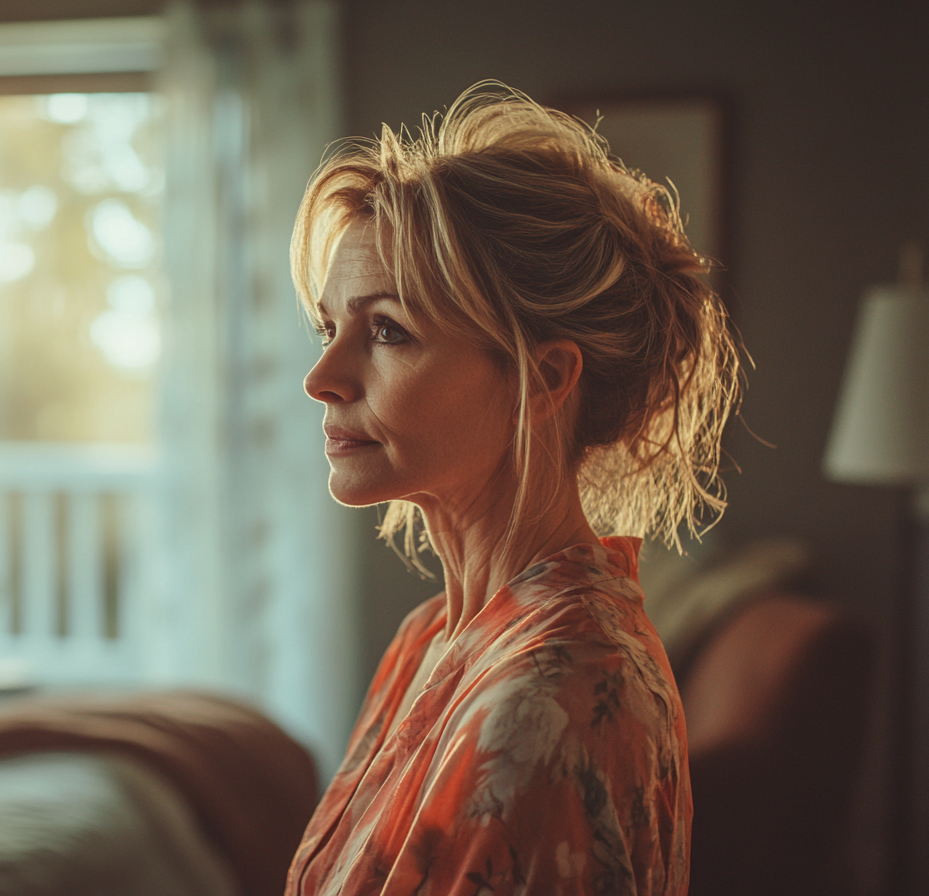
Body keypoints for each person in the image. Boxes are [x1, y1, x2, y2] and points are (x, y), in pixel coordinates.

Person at [284, 83, 739, 896]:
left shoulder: (554, 697)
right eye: (331, 329)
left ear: (543, 377)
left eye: (388, 330)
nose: (322, 377)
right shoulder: (429, 639)